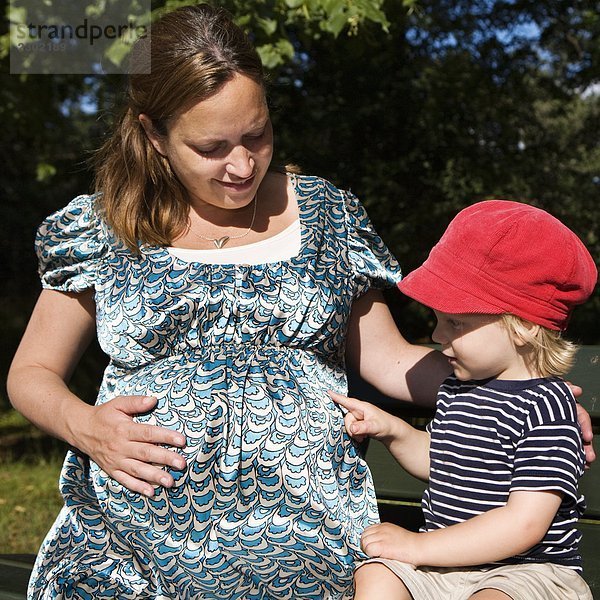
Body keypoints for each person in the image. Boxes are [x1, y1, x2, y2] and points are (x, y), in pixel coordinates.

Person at [6, 5, 454, 599]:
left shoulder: (325, 215)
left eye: (257, 134)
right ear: (153, 135)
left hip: (304, 537)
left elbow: (391, 360)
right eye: (211, 147)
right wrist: (86, 427)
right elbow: (31, 374)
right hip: (131, 542)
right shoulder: (105, 226)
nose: (241, 166)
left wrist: (525, 391)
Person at [332, 200, 597, 600]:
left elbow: (524, 524)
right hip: (446, 566)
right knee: (377, 577)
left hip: (527, 573)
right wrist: (394, 431)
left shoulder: (547, 407)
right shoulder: (459, 388)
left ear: (523, 327)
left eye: (455, 322)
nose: (438, 336)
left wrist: (419, 547)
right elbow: (443, 462)